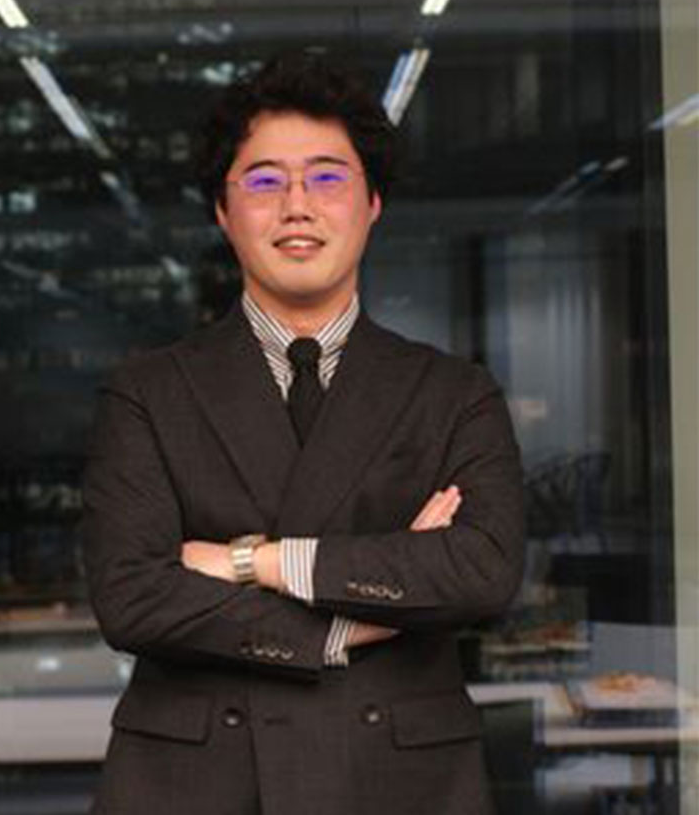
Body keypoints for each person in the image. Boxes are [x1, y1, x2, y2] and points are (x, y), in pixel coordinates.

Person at [81, 53, 525, 815]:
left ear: (372, 202)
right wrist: (357, 620)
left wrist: (252, 561)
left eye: (326, 177)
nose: (296, 205)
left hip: (400, 782)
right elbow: (132, 597)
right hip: (195, 784)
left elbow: (480, 570)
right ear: (223, 212)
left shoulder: (455, 394)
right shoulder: (147, 393)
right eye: (263, 181)